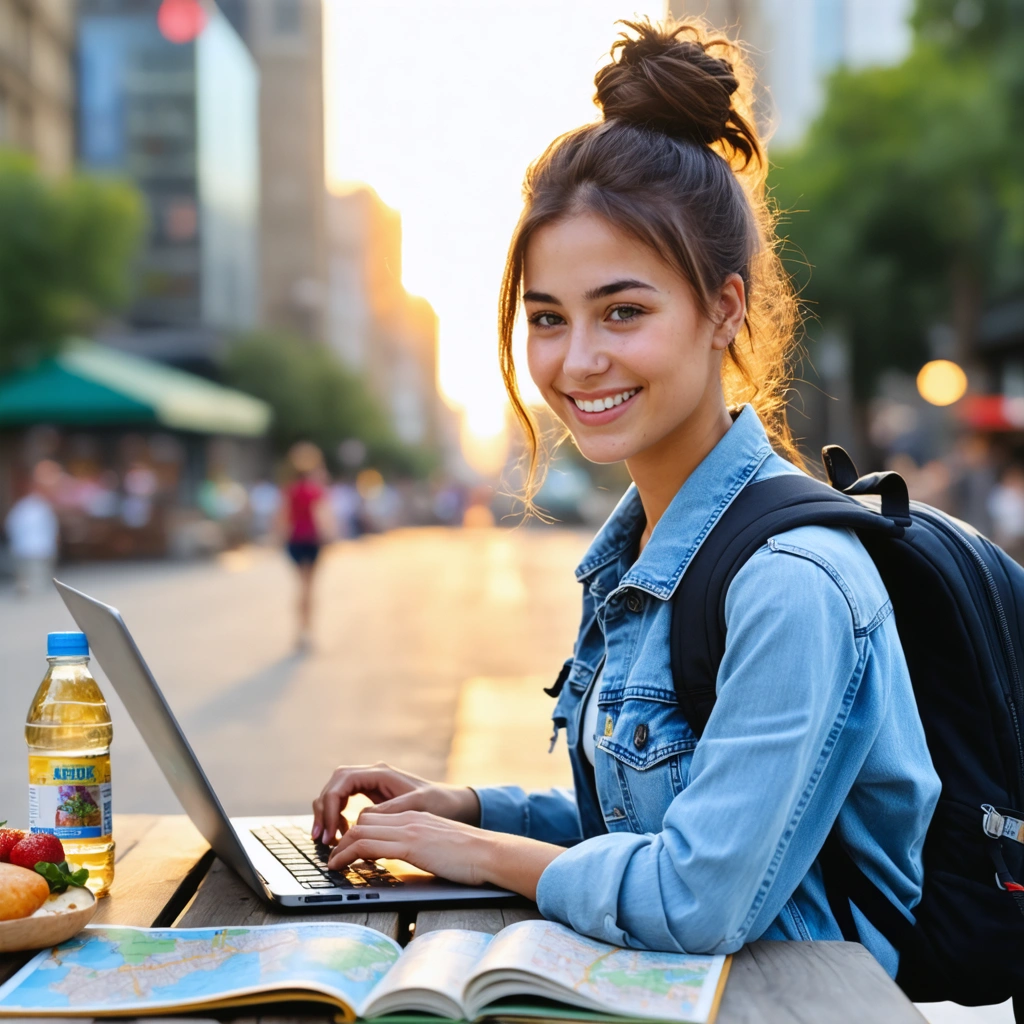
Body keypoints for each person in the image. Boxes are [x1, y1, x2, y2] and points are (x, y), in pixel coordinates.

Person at [311, 18, 940, 976]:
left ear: (724, 308)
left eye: (624, 312)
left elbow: (693, 898)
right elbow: (655, 818)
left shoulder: (791, 584)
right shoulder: (640, 554)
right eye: (548, 320)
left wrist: (480, 856)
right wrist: (471, 809)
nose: (578, 361)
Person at [279, 442, 332, 650]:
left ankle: (300, 631)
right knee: (309, 588)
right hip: (310, 541)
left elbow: (282, 518)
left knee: (300, 587)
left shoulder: (289, 490)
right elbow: (321, 517)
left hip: (294, 541)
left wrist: (278, 538)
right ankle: (307, 630)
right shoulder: (316, 491)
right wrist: (328, 535)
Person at [5, 461, 61, 597]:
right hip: (37, 552)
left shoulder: (24, 506)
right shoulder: (37, 506)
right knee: (37, 589)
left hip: (23, 551)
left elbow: (9, 526)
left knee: (30, 586)